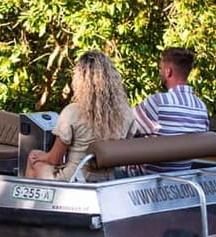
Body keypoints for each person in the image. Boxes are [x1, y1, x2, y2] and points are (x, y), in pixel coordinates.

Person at [26, 50, 136, 182]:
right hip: (108, 180)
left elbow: (54, 159)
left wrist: (41, 157)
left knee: (33, 158)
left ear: (80, 80)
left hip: (75, 179)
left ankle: (27, 203)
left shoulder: (73, 112)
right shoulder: (127, 113)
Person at [128, 47, 210, 174]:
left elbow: (125, 128)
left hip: (146, 180)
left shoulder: (158, 102)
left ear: (168, 72)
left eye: (160, 69)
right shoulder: (201, 108)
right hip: (182, 177)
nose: (160, 73)